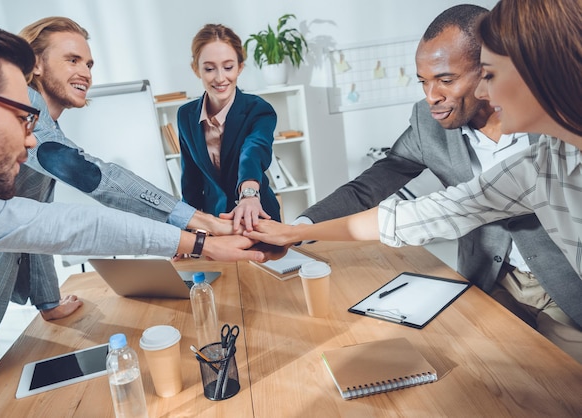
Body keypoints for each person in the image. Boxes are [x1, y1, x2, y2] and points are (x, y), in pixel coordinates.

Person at [0, 11, 263, 408]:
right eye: (71, 59)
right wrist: (194, 222)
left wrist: (48, 302)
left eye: (89, 62)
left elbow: (54, 225)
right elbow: (86, 175)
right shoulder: (32, 115)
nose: (85, 71)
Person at [248, 0, 582, 363]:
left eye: (487, 75)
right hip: (489, 280)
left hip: (563, 288)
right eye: (423, 81)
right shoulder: (529, 165)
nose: (431, 96)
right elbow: (433, 211)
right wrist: (297, 230)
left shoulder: (546, 152)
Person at [177, 23, 281, 230]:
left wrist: (249, 194)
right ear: (196, 69)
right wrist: (186, 231)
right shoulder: (186, 115)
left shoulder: (259, 109)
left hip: (258, 217)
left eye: (228, 67)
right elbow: (191, 183)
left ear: (240, 67)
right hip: (216, 225)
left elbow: (253, 151)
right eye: (209, 68)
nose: (219, 78)